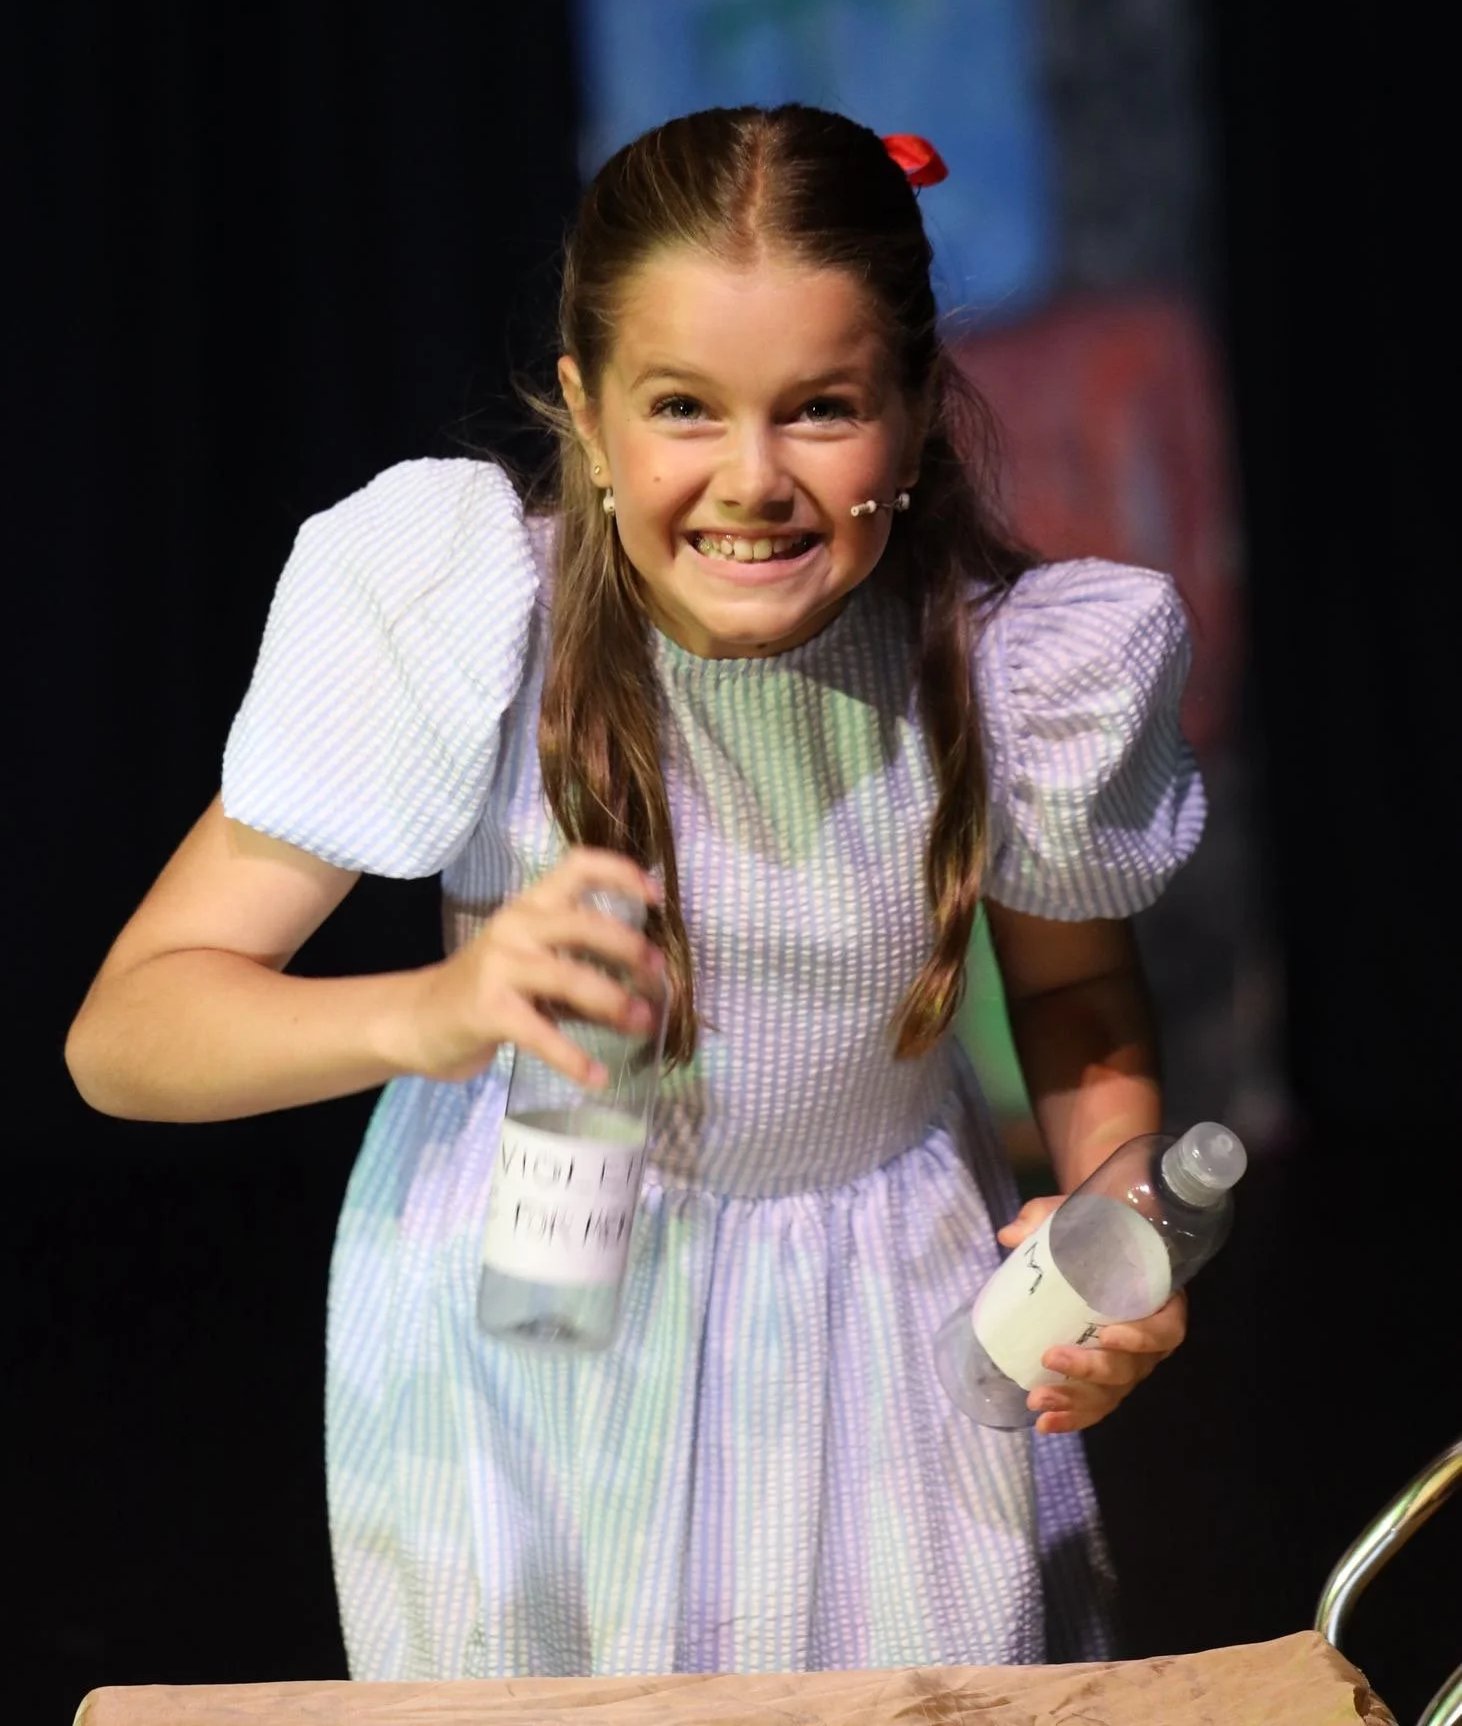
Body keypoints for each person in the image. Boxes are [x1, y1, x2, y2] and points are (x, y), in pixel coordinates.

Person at [67, 104, 1204, 1681]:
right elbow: (127, 1039)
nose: (751, 479)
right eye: (683, 408)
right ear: (587, 418)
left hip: (878, 1335)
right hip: (528, 1356)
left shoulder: (1009, 675)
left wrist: (1114, 1193)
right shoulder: (470, 619)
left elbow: (1076, 1000)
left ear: (918, 415)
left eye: (820, 409)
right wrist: (435, 1008)